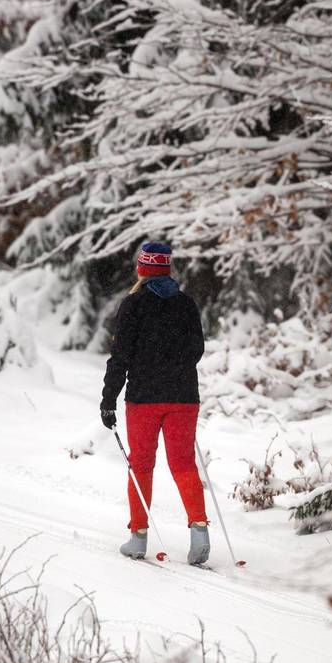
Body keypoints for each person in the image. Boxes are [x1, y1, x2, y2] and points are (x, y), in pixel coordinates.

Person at [100, 242, 210, 565]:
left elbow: (120, 356)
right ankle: (200, 532)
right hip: (184, 397)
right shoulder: (186, 304)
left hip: (144, 399)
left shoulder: (133, 305)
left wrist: (109, 398)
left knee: (141, 465)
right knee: (184, 464)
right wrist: (175, 367)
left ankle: (138, 537)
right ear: (167, 269)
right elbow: (197, 350)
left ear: (142, 269)